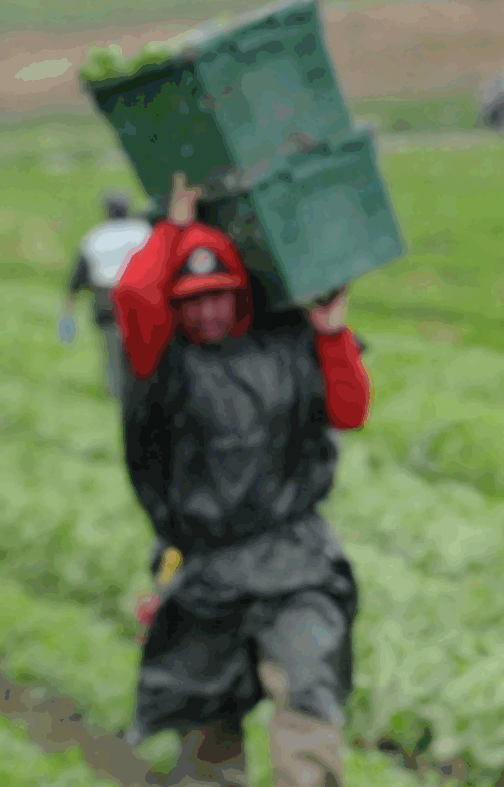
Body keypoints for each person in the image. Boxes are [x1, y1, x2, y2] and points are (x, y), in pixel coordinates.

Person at [115, 171, 370, 787]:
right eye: (191, 299)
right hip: (207, 568)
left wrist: (333, 333)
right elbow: (134, 297)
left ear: (241, 294)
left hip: (296, 559)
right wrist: (174, 230)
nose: (205, 310)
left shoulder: (290, 342)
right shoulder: (164, 366)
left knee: (309, 689)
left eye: (218, 295)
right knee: (206, 728)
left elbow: (350, 411)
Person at [62, 191, 152, 400]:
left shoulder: (95, 237)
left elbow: (79, 274)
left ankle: (118, 394)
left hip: (106, 300)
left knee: (112, 350)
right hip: (139, 296)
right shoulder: (143, 232)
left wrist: (69, 303)